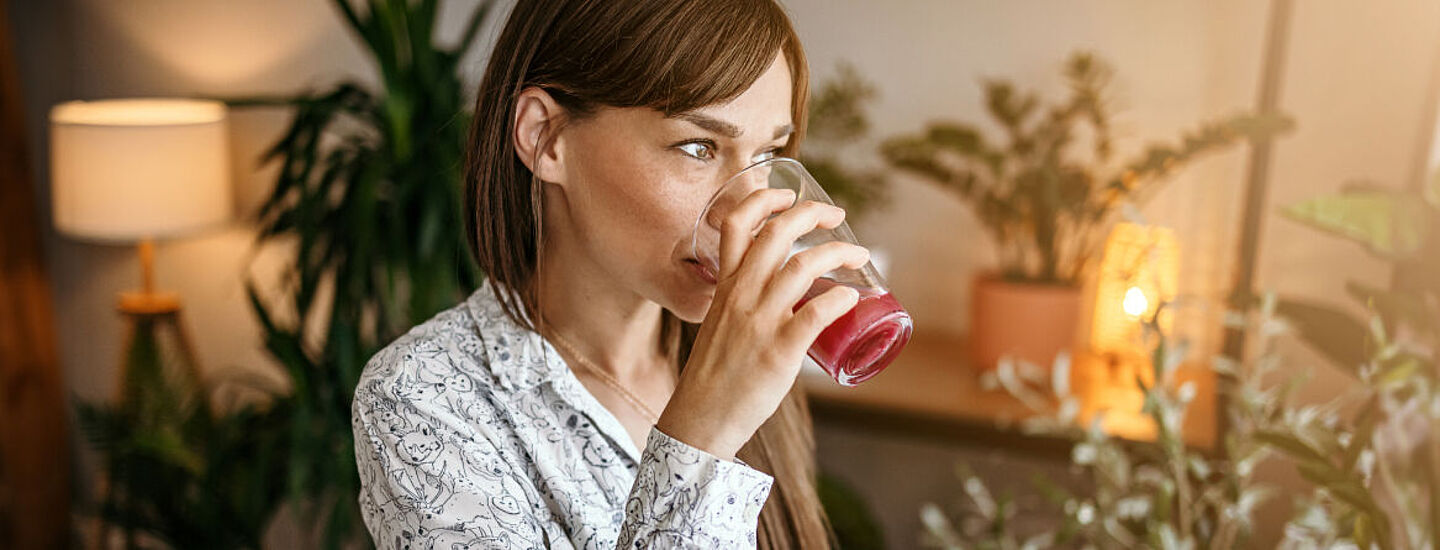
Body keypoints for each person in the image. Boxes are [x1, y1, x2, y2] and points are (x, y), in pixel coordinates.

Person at [352, 0, 869, 547]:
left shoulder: (746, 350)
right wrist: (702, 441)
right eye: (698, 147)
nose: (746, 211)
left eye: (768, 152)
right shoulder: (423, 402)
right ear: (545, 137)